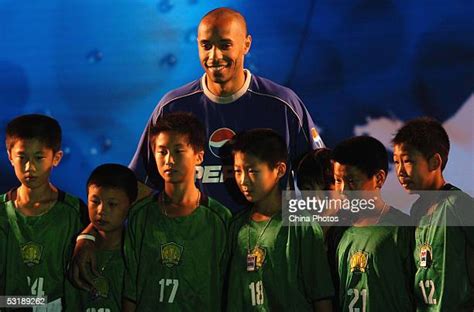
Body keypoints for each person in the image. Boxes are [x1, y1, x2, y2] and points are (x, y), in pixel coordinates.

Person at [129, 7, 324, 213]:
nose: (214, 56)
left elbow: (323, 182)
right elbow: (141, 183)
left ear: (246, 45)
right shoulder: (172, 107)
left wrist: (296, 232)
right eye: (206, 45)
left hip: (265, 243)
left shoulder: (283, 105)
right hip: (195, 243)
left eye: (225, 45)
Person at [122, 112, 231, 311]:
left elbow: (228, 290)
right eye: (162, 151)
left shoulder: (220, 218)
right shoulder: (140, 215)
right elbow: (130, 290)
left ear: (199, 156)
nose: (169, 160)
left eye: (178, 151)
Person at [226, 129, 333, 311]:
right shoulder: (236, 226)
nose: (243, 180)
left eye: (252, 171)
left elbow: (321, 297)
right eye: (237, 171)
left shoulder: (302, 226)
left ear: (280, 170)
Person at [0, 114, 86, 311]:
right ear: (10, 156)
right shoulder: (2, 211)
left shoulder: (74, 211)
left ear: (56, 158)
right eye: (22, 157)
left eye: (39, 158)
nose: (30, 167)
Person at [392, 117, 474, 311]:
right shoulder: (417, 209)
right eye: (396, 162)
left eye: (408, 161)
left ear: (435, 162)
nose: (400, 171)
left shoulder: (458, 204)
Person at [332, 136, 414, 311]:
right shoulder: (338, 232)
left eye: (352, 181)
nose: (343, 191)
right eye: (338, 181)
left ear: (379, 178)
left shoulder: (404, 229)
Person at [67, 164, 137, 311]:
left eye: (112, 204)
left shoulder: (135, 254)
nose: (101, 211)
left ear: (131, 205)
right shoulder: (74, 249)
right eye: (95, 201)